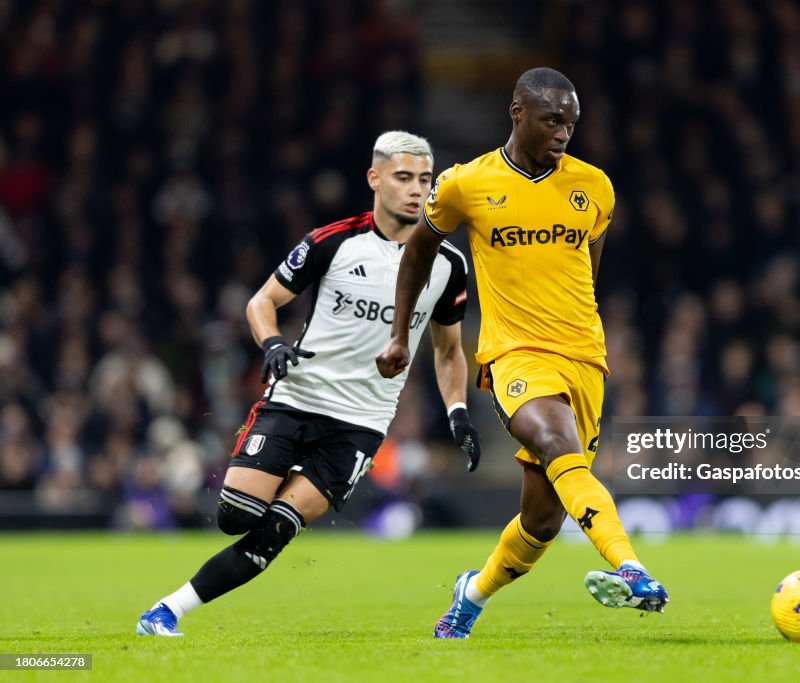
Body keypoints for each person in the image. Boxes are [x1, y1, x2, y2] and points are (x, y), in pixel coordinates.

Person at [136, 131, 480, 636]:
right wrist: (272, 344)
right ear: (375, 179)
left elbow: (449, 351)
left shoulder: (448, 265)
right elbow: (260, 303)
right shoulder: (332, 241)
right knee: (235, 515)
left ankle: (164, 612)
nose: (416, 190)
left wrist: (457, 412)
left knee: (274, 534)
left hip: (360, 423)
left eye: (425, 180)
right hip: (296, 398)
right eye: (404, 177)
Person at [376, 68, 668, 639]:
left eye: (572, 124)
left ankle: (472, 594)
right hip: (515, 354)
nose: (564, 133)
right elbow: (417, 254)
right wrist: (398, 334)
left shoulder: (595, 188)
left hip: (583, 359)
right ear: (517, 113)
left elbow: (588, 272)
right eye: (552, 120)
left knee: (541, 520)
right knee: (559, 443)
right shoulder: (466, 184)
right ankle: (630, 565)